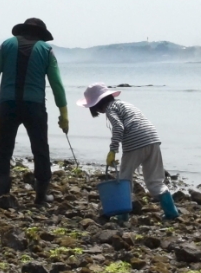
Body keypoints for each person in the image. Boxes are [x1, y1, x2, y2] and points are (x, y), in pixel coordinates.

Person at [0, 18, 68, 205]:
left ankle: (3, 194)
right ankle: (40, 198)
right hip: (35, 106)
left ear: (22, 31)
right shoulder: (46, 50)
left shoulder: (6, 45)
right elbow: (57, 84)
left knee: (4, 147)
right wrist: (64, 115)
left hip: (8, 105)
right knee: (40, 148)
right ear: (41, 35)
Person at [77, 83, 179, 219]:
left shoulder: (110, 109)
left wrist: (113, 150)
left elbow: (118, 127)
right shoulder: (125, 104)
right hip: (153, 139)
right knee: (155, 181)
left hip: (135, 143)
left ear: (98, 104)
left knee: (124, 179)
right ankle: (171, 212)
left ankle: (123, 214)